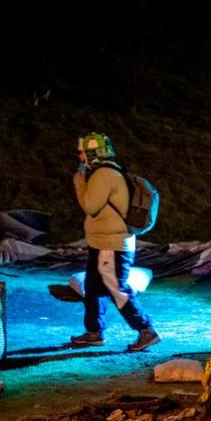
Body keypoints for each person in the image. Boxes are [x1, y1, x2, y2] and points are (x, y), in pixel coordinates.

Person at [70, 132, 160, 351]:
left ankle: (146, 330)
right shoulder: (106, 173)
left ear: (93, 153)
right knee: (93, 288)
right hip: (102, 243)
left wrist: (79, 182)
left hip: (111, 246)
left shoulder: (104, 175)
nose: (79, 155)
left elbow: (91, 207)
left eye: (83, 151)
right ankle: (94, 332)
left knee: (116, 288)